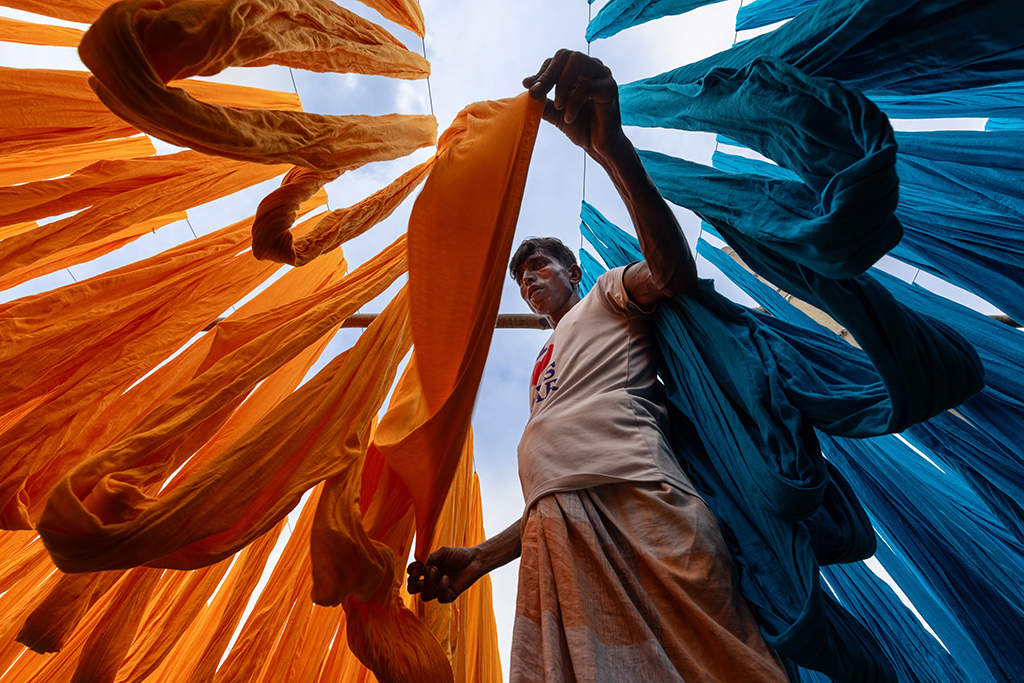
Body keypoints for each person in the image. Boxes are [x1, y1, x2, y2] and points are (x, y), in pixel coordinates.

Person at [407, 50, 788, 682]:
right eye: (522, 275)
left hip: (643, 501)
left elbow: (672, 271)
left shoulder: (609, 292)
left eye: (540, 266)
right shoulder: (540, 365)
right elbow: (557, 481)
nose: (529, 279)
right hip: (557, 536)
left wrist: (612, 151)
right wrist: (480, 556)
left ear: (573, 271)